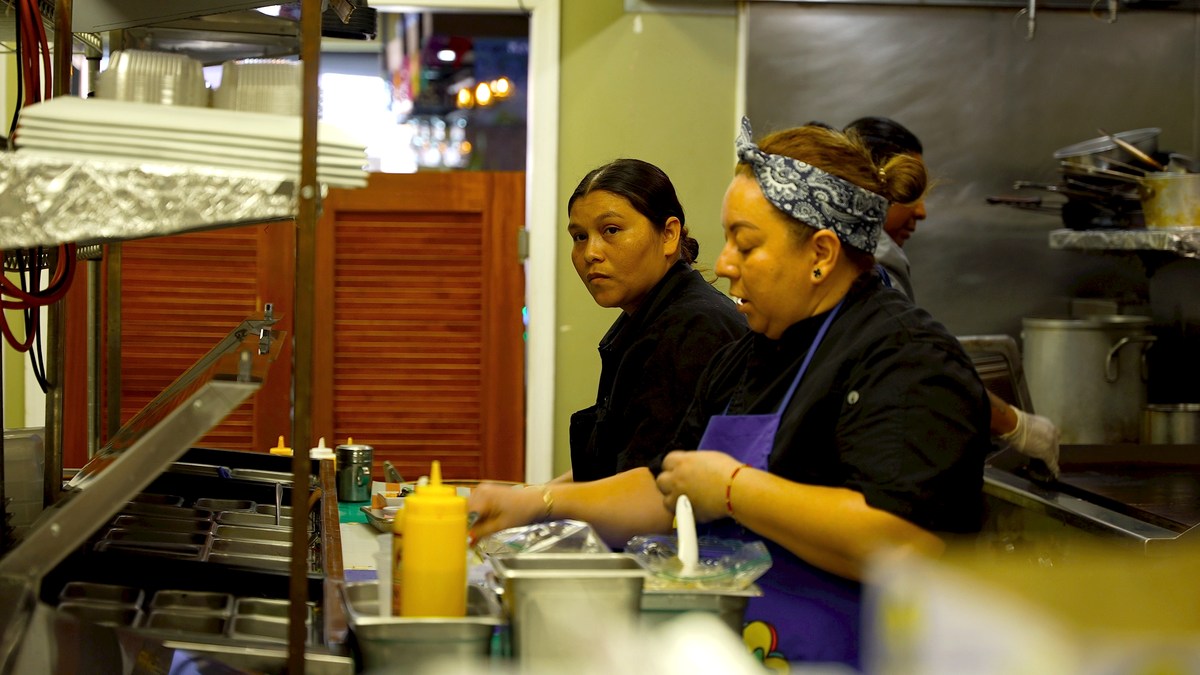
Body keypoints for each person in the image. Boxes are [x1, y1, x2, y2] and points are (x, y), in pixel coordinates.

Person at [651, 118, 991, 671]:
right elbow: (670, 486)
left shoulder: (906, 357)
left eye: (745, 242)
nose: (724, 263)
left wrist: (733, 488)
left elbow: (904, 541)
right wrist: (537, 503)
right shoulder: (746, 356)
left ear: (822, 254)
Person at [468, 159, 746, 544]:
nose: (590, 253)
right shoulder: (646, 318)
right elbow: (608, 470)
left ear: (668, 235)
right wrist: (522, 501)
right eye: (579, 236)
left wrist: (539, 502)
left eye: (611, 230)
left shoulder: (696, 326)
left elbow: (654, 490)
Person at [845, 116, 1061, 476]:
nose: (923, 211)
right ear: (870, 187)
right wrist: (1012, 423)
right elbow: (912, 359)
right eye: (910, 191)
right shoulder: (872, 258)